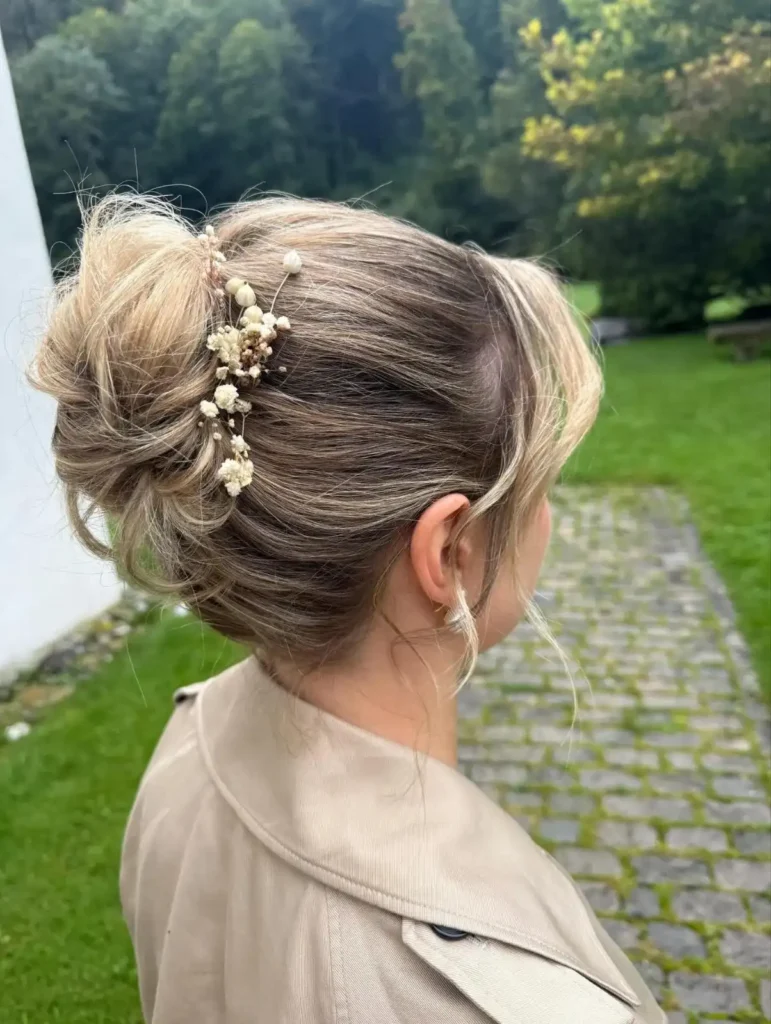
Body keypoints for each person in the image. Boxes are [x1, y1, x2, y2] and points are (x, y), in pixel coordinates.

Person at [33, 194, 665, 1024]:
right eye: (541, 483)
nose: (550, 515)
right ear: (448, 552)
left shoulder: (189, 752)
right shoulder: (520, 1000)